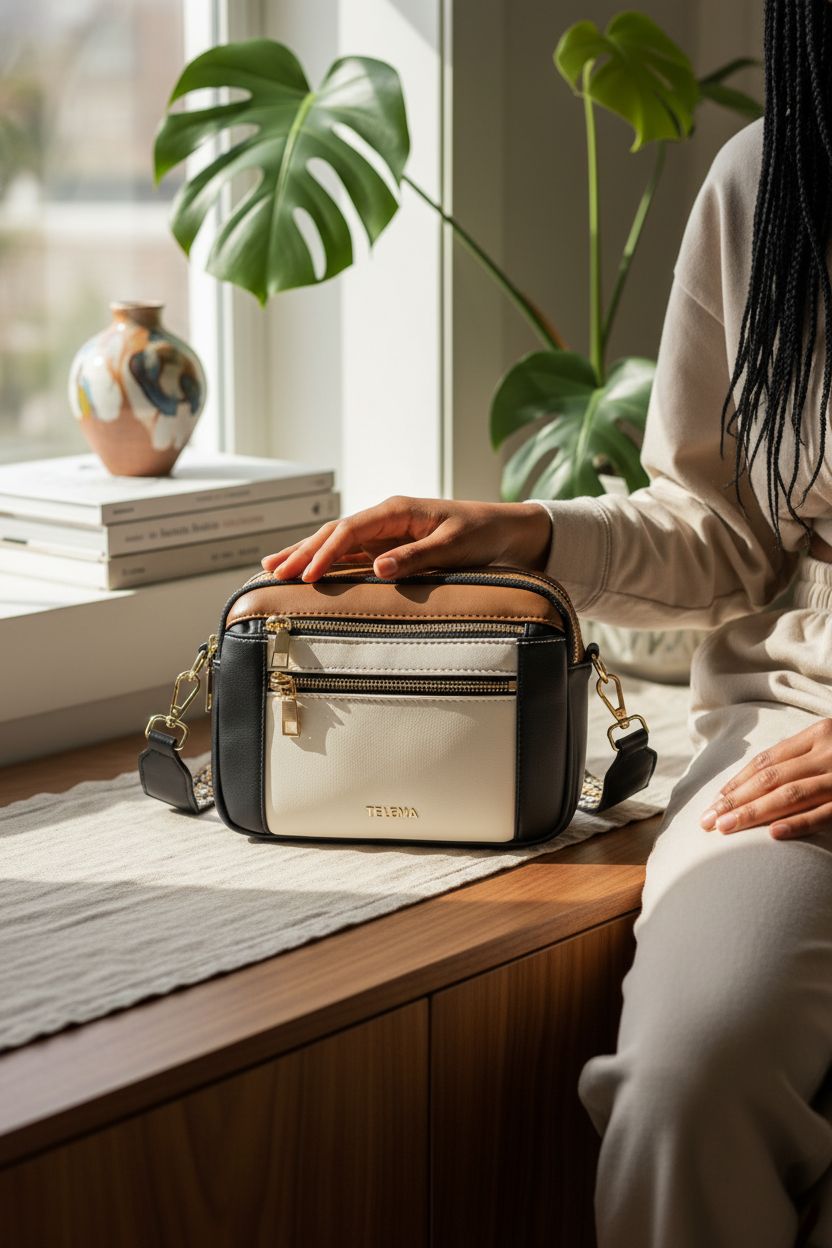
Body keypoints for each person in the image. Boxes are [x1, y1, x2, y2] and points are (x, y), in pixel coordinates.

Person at [260, 3, 832, 1242]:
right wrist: (528, 537)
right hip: (801, 755)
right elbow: (727, 531)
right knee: (687, 1091)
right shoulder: (769, 187)